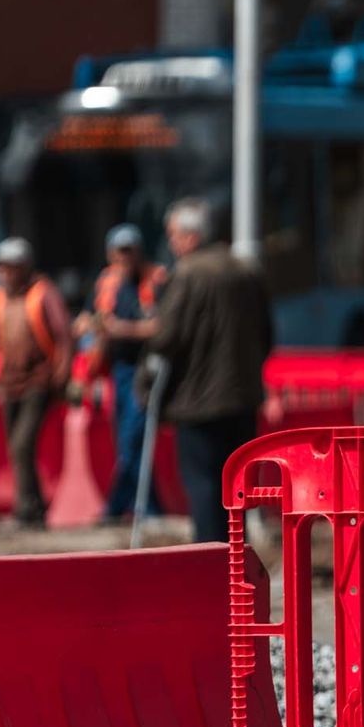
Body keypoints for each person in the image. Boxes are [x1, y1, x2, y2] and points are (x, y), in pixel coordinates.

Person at [146, 198, 272, 543]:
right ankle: (236, 555)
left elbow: (167, 338)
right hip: (242, 397)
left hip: (197, 401)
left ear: (189, 237)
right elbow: (266, 335)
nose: (171, 243)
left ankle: (211, 556)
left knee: (203, 484)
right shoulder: (246, 270)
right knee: (237, 485)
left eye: (173, 235)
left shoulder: (188, 274)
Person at [84, 224, 166, 521]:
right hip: (117, 370)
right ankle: (149, 505)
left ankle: (119, 504)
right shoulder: (106, 283)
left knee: (134, 437)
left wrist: (123, 330)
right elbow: (88, 318)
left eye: (129, 250)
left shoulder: (155, 281)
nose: (124, 257)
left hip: (144, 369)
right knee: (127, 440)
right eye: (119, 251)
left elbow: (162, 325)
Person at [0, 237, 71, 526]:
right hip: (10, 383)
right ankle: (34, 506)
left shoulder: (42, 293)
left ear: (24, 267)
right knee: (15, 446)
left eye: (11, 267)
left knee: (22, 444)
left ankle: (27, 509)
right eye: (2, 267)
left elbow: (63, 335)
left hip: (38, 382)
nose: (5, 273)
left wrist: (62, 374)